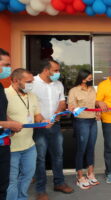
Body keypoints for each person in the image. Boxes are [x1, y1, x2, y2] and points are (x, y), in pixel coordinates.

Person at [5, 69, 51, 200]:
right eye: (28, 82)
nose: (31, 84)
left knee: (27, 176)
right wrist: (11, 123)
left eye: (32, 81)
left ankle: (22, 197)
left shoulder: (32, 95)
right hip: (11, 147)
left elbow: (36, 114)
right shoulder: (4, 95)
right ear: (16, 81)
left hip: (29, 146)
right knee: (11, 180)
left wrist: (43, 121)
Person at [31, 59, 73, 200]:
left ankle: (59, 183)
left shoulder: (58, 84)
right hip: (39, 126)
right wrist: (42, 121)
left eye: (58, 70)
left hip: (55, 125)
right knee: (40, 158)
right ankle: (41, 190)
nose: (58, 73)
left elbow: (62, 101)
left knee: (58, 156)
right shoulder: (32, 83)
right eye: (55, 70)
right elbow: (30, 105)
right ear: (45, 70)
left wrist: (56, 116)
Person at [68, 70, 100, 189]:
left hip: (92, 122)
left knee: (91, 148)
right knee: (81, 149)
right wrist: (73, 108)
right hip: (81, 122)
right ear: (83, 79)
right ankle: (80, 176)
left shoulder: (92, 90)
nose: (91, 80)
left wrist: (98, 111)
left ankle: (90, 173)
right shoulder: (74, 91)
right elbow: (71, 106)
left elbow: (95, 104)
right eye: (89, 78)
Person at [0, 48, 23, 200]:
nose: (9, 69)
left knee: (3, 184)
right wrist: (8, 125)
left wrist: (10, 122)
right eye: (6, 65)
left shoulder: (0, 86)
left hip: (3, 143)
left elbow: (2, 110)